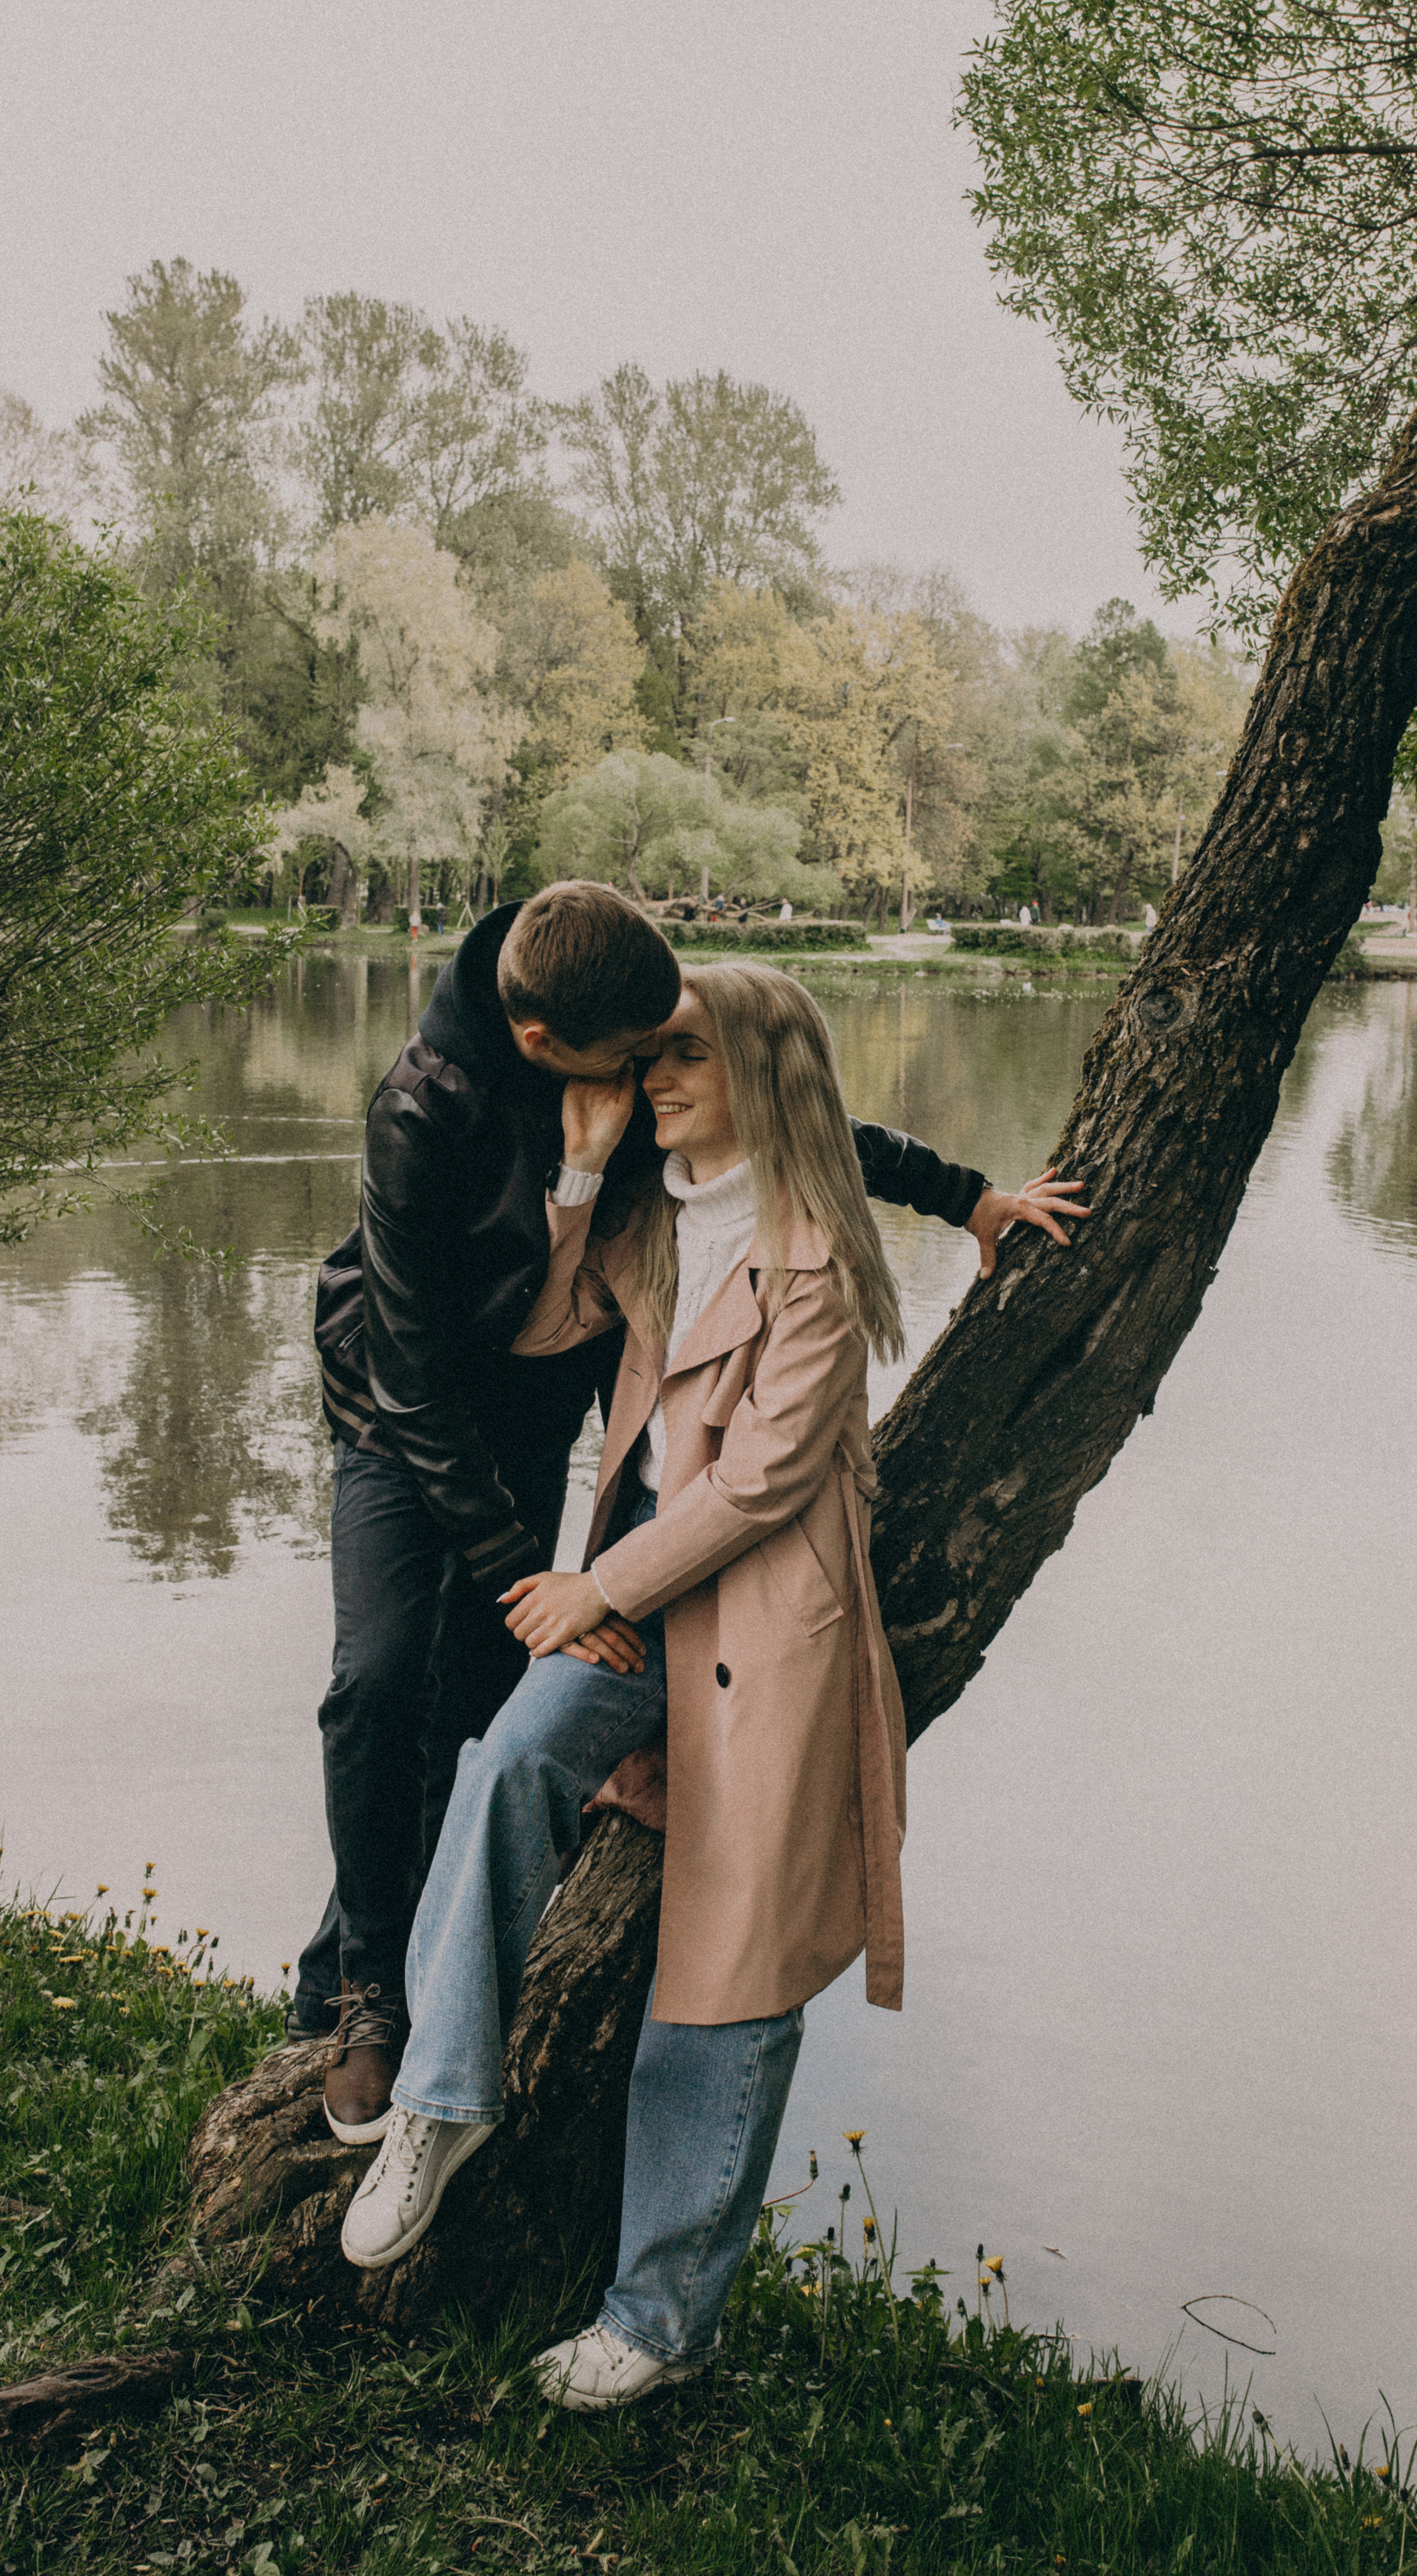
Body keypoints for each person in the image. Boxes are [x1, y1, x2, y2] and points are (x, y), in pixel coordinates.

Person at [336, 964, 1089, 2410]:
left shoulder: (810, 1254)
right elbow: (549, 1328)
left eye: (675, 1057)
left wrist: (589, 1589)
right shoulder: (647, 1199)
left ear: (754, 1075)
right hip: (636, 1585)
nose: (644, 1076)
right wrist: (573, 1164)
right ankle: (438, 2103)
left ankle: (660, 2319)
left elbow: (758, 1486)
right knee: (509, 1764)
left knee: (724, 1980)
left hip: (766, 1619)